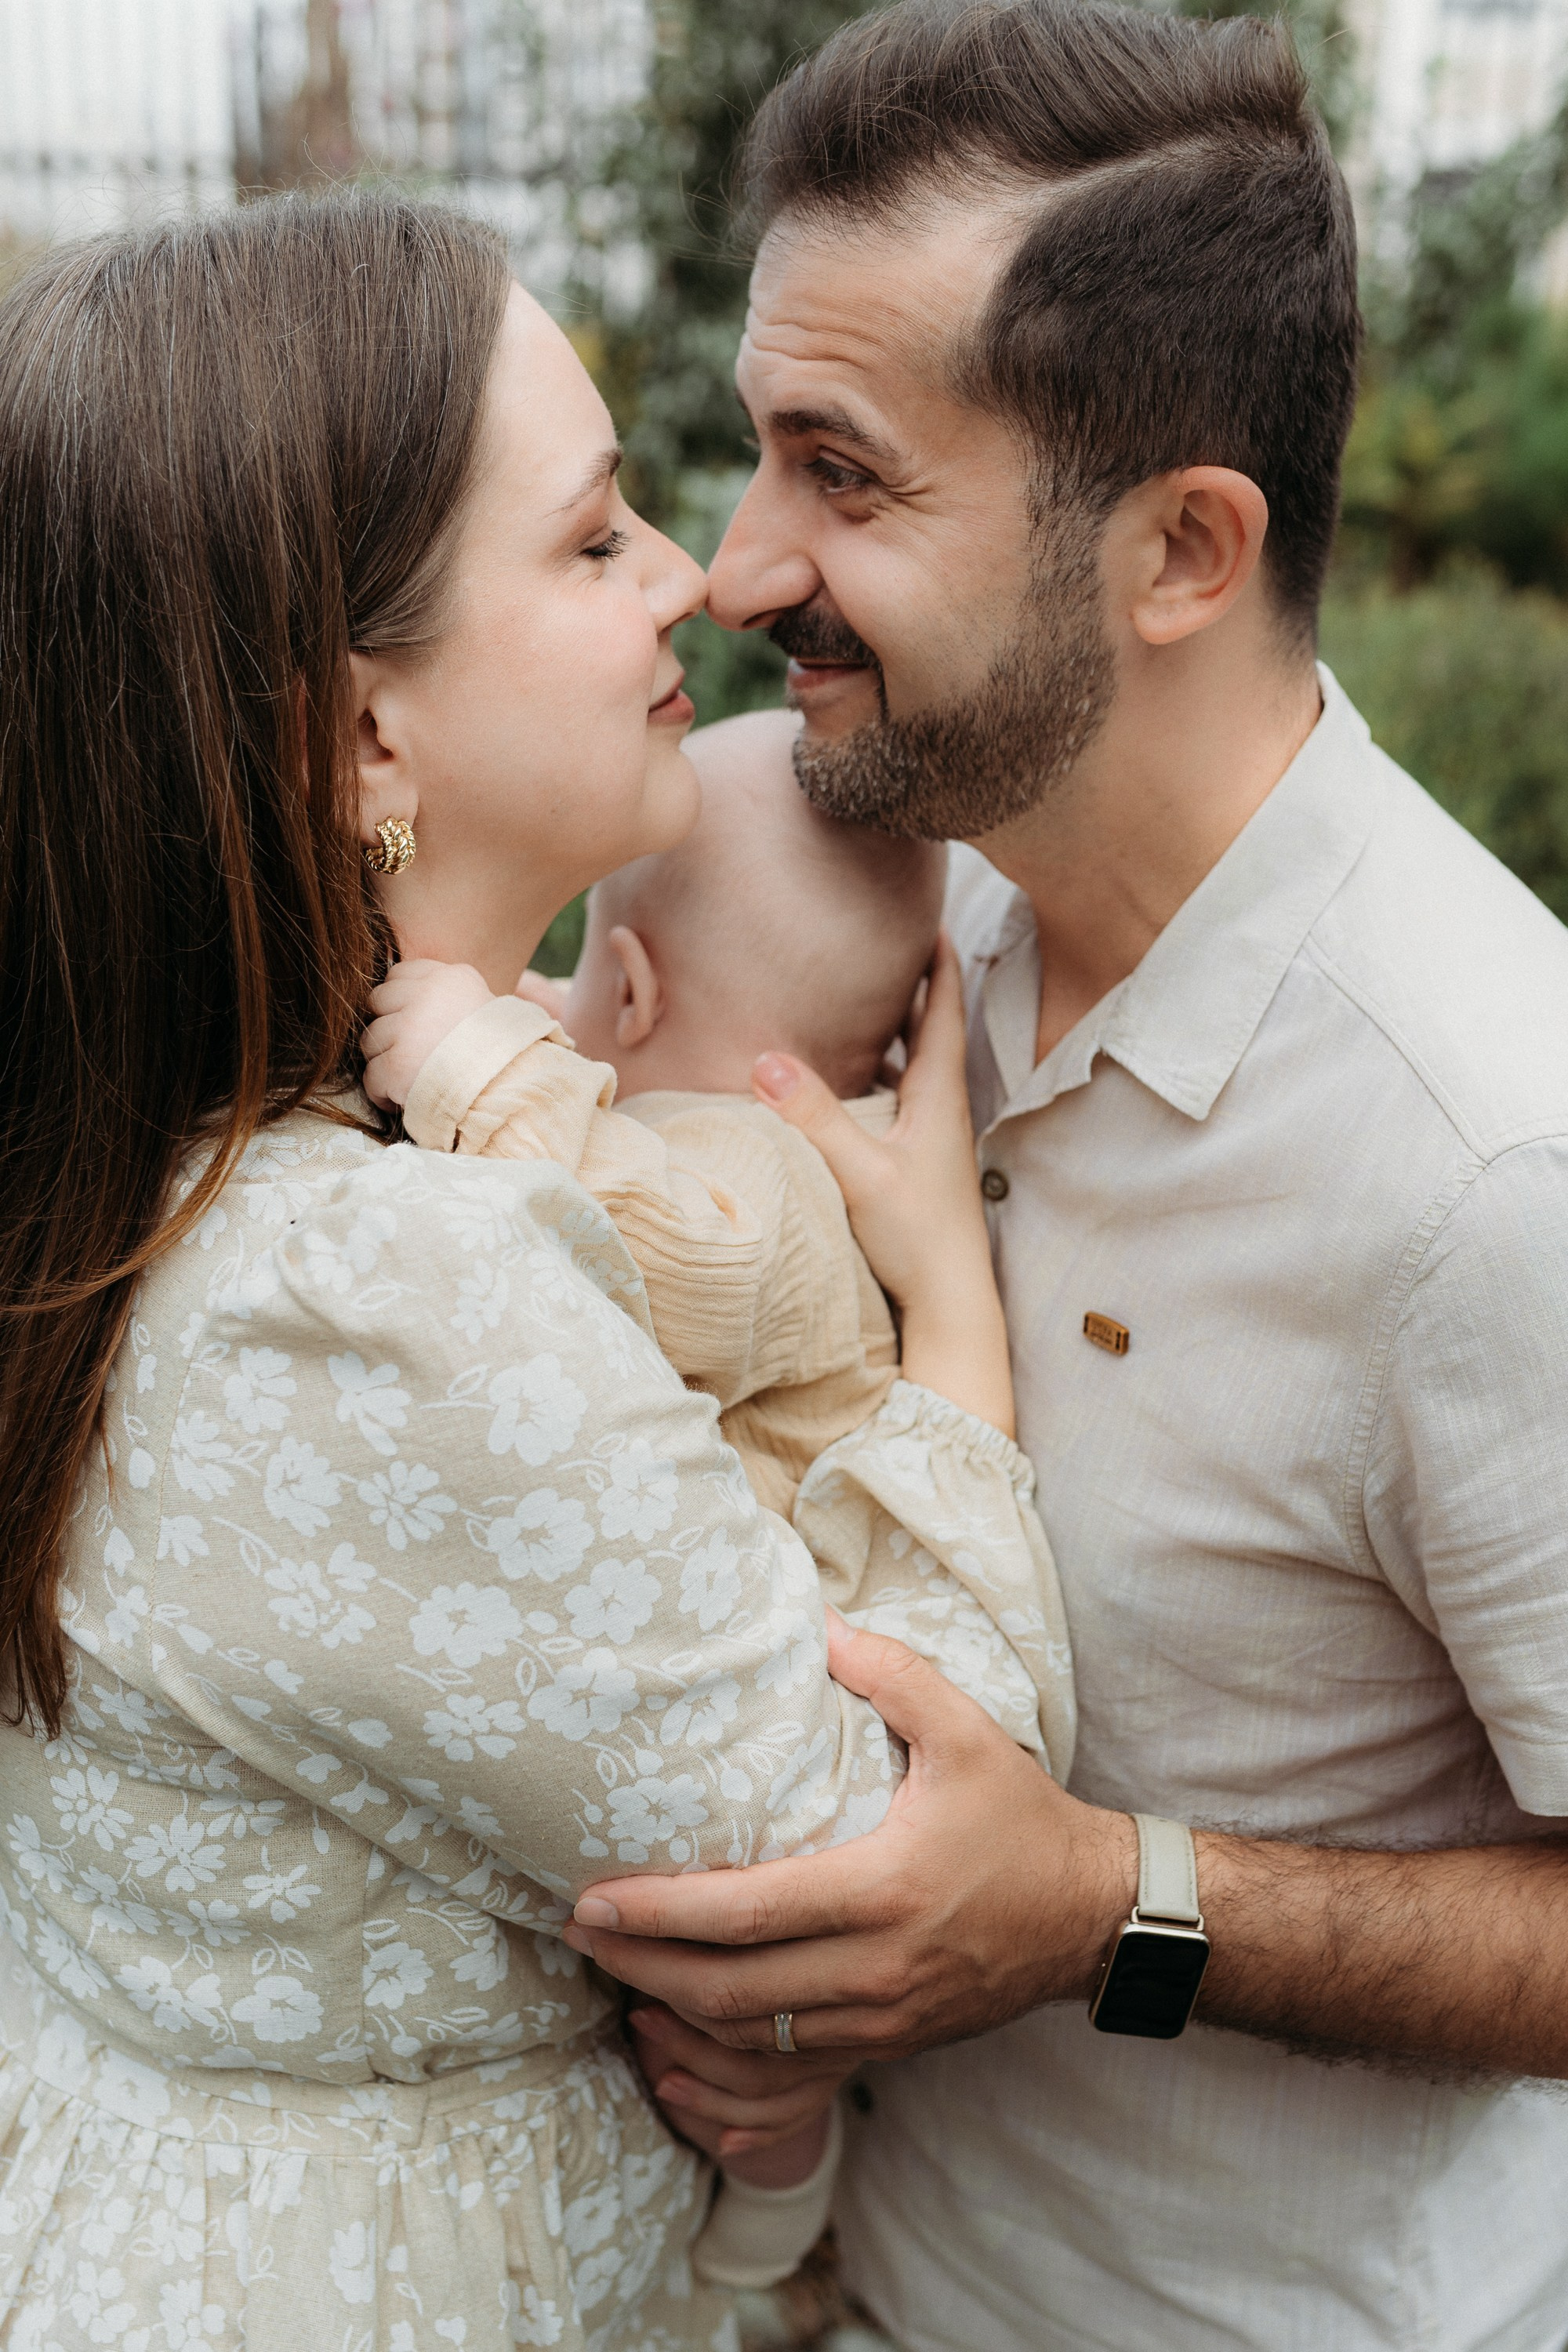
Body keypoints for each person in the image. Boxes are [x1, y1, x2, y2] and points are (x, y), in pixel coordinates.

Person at [554, 5, 1568, 2349]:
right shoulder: (881, 887)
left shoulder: (1492, 1161)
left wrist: (1114, 1908)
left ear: (1182, 550)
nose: (734, 565)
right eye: (752, 450)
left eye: (844, 472)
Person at [0, 191, 1065, 2352]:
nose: (695, 574)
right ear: (362, 739)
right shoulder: (385, 1295)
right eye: (592, 541)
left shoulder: (186, 1151)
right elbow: (882, 1857)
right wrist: (949, 1321)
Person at [357, 712, 1076, 2287]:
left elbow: (633, 1237)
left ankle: (776, 2214)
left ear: (626, 993)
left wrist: (478, 1058)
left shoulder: (759, 1190)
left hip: (836, 1721)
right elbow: (597, 1075)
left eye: (574, 978)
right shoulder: (753, 1125)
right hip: (749, 1693)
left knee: (744, 2063)